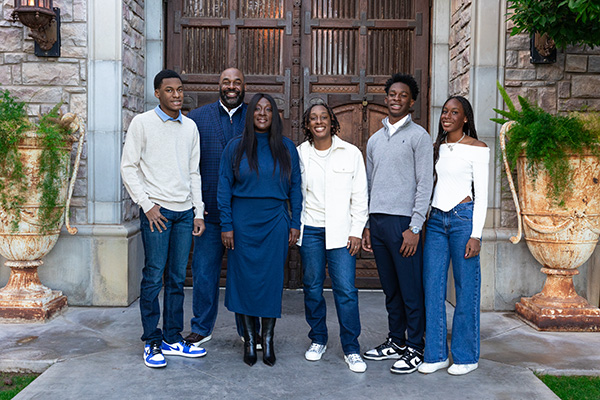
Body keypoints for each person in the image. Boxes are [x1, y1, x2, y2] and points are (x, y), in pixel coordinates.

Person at [121, 69, 207, 368]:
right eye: (169, 90)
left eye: (180, 89)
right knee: (153, 276)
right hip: (157, 213)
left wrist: (198, 211)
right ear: (157, 93)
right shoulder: (142, 124)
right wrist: (146, 205)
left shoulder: (190, 127)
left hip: (184, 213)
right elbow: (128, 167)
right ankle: (151, 342)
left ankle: (172, 338)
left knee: (175, 279)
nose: (176, 95)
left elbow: (194, 172)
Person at [217, 93, 302, 366]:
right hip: (242, 224)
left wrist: (295, 222)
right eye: (257, 109)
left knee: (270, 282)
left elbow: (296, 189)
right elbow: (223, 189)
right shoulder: (235, 147)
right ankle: (250, 341)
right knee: (244, 282)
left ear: (275, 115)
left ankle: (267, 340)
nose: (262, 114)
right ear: (250, 114)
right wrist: (227, 225)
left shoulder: (287, 148)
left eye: (268, 109)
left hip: (275, 222)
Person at [361, 73, 433, 374]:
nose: (396, 98)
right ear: (385, 97)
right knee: (390, 288)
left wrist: (415, 227)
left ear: (411, 101)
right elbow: (368, 183)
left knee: (410, 289)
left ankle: (416, 346)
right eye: (392, 94)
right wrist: (365, 223)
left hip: (404, 224)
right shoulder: (374, 140)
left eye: (402, 95)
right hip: (377, 222)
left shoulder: (419, 137)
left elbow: (425, 183)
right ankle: (396, 340)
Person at [418, 96, 489, 376]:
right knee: (433, 289)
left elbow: (482, 195)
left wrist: (477, 235)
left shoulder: (478, 148)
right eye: (445, 112)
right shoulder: (439, 148)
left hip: (463, 220)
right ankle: (435, 355)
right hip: (436, 221)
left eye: (454, 112)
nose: (447, 116)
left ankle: (466, 356)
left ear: (465, 118)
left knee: (466, 290)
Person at [296, 103, 369, 373]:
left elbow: (360, 195)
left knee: (346, 291)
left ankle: (351, 347)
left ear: (332, 121)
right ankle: (318, 339)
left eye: (323, 117)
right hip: (311, 230)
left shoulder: (351, 153)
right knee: (312, 287)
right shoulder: (300, 154)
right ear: (307, 125)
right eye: (313, 118)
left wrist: (356, 230)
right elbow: (294, 193)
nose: (319, 122)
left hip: (342, 233)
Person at [185, 68, 248, 347]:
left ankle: (248, 331)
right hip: (209, 214)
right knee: (204, 273)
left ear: (244, 86)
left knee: (245, 274)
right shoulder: (197, 118)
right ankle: (201, 327)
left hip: (246, 215)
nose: (231, 87)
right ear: (218, 85)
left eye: (236, 82)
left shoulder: (257, 116)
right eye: (226, 82)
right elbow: (188, 166)